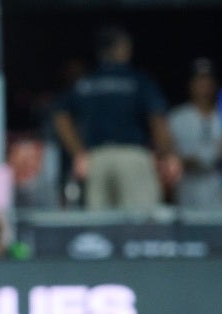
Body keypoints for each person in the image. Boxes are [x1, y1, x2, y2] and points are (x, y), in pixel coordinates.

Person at [52, 26, 180, 210]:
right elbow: (157, 120)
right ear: (122, 48)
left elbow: (60, 117)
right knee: (140, 221)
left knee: (100, 225)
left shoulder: (86, 82)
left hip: (97, 159)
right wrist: (168, 154)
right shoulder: (138, 80)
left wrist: (79, 153)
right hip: (132, 157)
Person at [168, 58, 222, 209]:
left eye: (207, 80)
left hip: (217, 183)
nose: (203, 86)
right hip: (188, 187)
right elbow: (167, 154)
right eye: (199, 80)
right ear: (190, 85)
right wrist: (182, 160)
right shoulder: (177, 117)